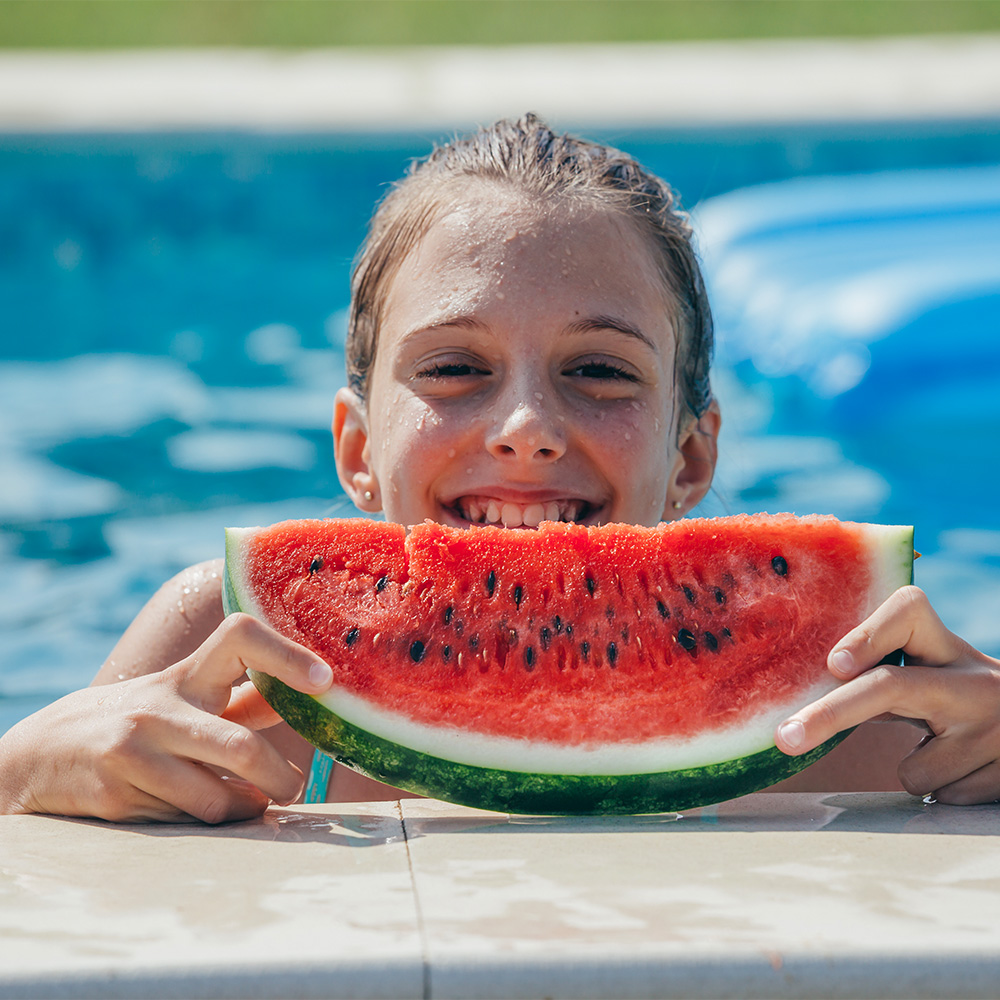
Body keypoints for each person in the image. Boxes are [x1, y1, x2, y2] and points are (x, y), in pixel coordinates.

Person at [1, 115, 997, 823]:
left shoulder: (847, 704)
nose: (526, 428)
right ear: (355, 449)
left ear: (692, 456)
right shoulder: (220, 654)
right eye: (455, 368)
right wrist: (22, 770)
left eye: (599, 371)